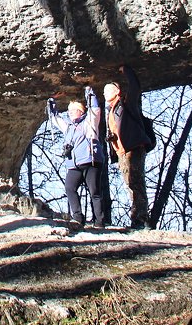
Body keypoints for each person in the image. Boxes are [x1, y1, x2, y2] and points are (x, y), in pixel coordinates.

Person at [47, 86, 106, 231]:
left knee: (94, 191)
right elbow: (54, 118)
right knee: (70, 188)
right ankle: (78, 218)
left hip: (90, 160)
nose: (72, 113)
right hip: (74, 164)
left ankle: (99, 221)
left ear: (82, 111)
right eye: (70, 111)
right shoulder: (68, 127)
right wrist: (52, 100)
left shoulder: (88, 123)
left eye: (75, 110)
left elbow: (95, 111)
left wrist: (89, 93)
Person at [105, 64, 150, 230]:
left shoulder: (125, 104)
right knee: (130, 185)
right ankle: (136, 219)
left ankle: (142, 219)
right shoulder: (111, 111)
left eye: (107, 90)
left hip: (133, 148)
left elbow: (135, 87)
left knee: (136, 183)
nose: (104, 93)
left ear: (117, 92)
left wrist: (127, 71)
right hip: (122, 152)